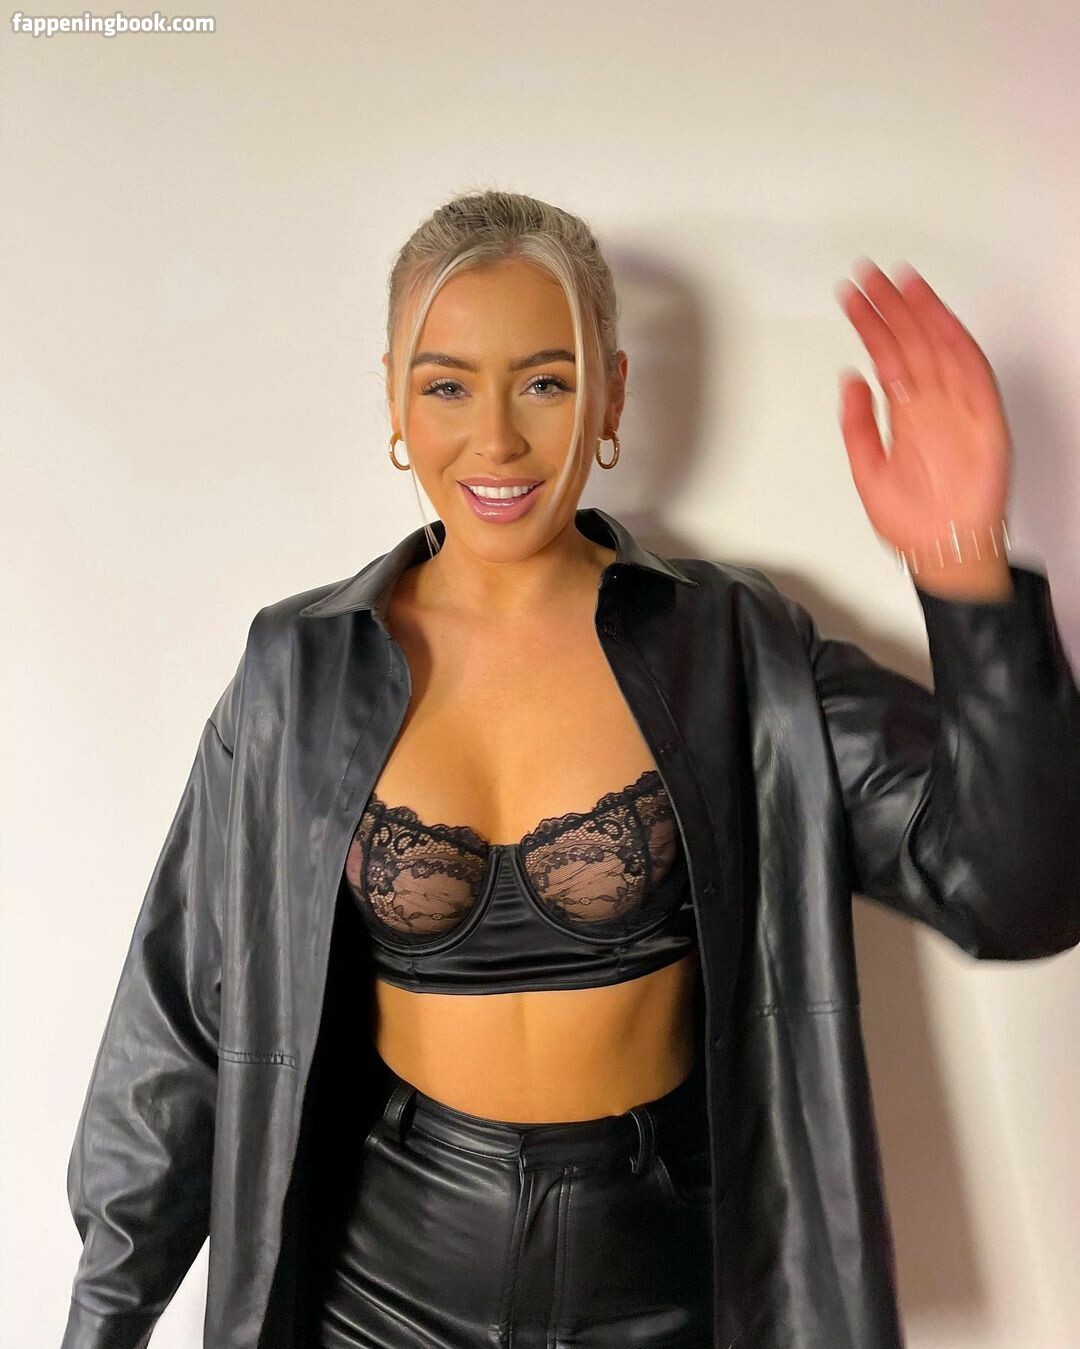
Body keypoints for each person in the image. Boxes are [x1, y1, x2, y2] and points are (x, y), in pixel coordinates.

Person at [61, 191, 1080, 1349]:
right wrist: (101, 1323)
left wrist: (966, 574)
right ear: (394, 397)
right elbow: (179, 1022)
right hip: (375, 1293)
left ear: (612, 396)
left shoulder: (736, 650)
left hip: (664, 1289)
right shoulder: (298, 671)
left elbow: (1018, 891)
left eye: (544, 381)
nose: (495, 440)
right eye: (448, 386)